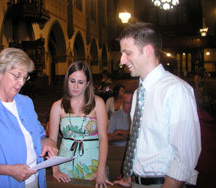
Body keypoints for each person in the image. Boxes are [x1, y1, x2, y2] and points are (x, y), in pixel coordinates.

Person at [114, 22, 201, 188]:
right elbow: (140, 141)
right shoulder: (139, 93)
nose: (122, 60)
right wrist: (133, 179)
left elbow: (185, 155)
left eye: (127, 53)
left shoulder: (176, 90)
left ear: (147, 50)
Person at [0, 48, 57, 188]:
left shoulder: (26, 102)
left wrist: (48, 142)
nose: (21, 83)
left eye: (25, 77)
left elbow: (39, 135)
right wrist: (9, 170)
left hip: (35, 181)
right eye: (17, 75)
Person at [49, 61, 112, 188]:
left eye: (80, 82)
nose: (75, 86)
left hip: (93, 163)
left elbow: (103, 139)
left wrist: (101, 170)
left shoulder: (98, 104)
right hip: (64, 165)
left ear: (88, 83)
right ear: (67, 80)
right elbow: (52, 140)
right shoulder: (57, 106)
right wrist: (55, 169)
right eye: (72, 81)